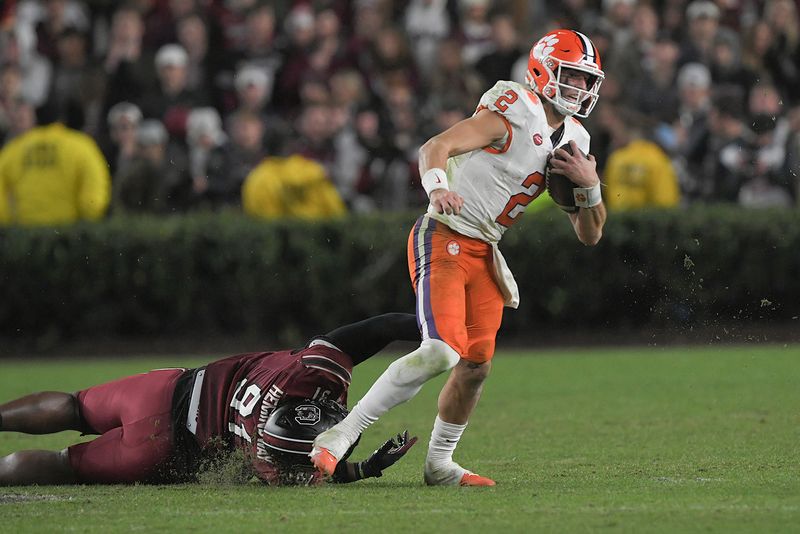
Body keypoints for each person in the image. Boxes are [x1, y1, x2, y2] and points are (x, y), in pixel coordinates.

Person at [311, 29, 607, 486]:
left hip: (486, 250)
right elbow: (435, 146)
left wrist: (589, 187)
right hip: (444, 233)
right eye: (573, 76)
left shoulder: (576, 140)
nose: (582, 89)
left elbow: (591, 234)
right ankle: (339, 436)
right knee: (440, 352)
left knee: (476, 366)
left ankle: (439, 465)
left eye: (588, 81)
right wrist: (438, 187)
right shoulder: (515, 107)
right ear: (543, 70)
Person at [0, 313, 420, 486]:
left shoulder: (310, 372)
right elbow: (310, 470)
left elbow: (373, 329)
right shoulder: (271, 457)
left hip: (166, 390)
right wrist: (361, 469)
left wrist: (421, 325)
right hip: (160, 450)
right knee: (61, 464)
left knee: (74, 405)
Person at [0, 108, 110, 225]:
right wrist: (89, 220)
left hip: (26, 233)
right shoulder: (81, 146)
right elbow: (94, 196)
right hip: (68, 232)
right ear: (62, 120)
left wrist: (6, 223)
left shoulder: (14, 149)